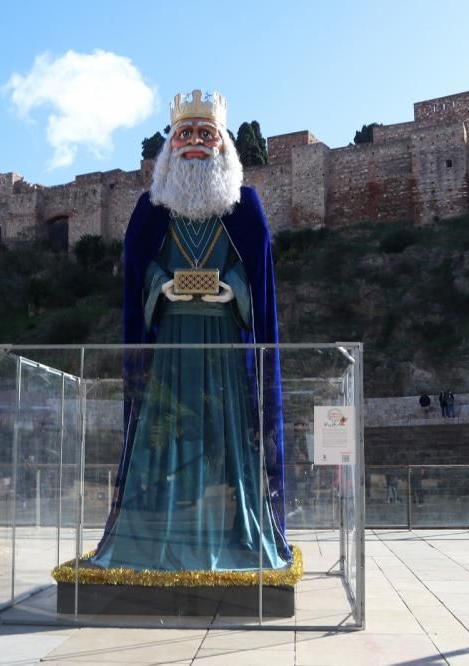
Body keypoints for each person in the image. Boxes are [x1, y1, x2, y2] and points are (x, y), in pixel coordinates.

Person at [89, 90, 293, 577]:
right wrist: (164, 288)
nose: (196, 142)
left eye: (207, 133)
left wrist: (233, 290)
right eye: (185, 134)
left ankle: (235, 532)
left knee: (225, 438)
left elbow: (259, 280)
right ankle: (157, 533)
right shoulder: (150, 209)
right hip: (172, 347)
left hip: (224, 345)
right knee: (166, 437)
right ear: (170, 147)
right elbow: (140, 276)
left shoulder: (245, 208)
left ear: (223, 143)